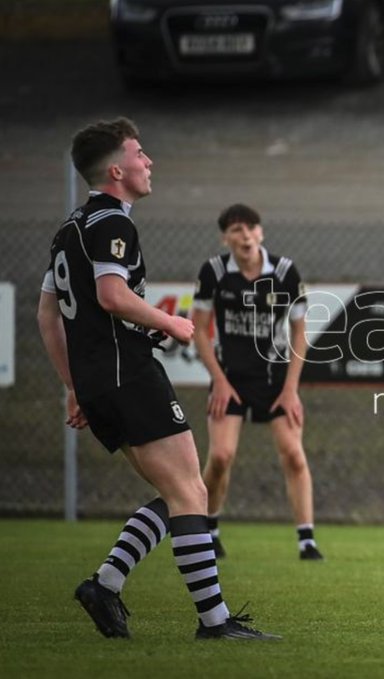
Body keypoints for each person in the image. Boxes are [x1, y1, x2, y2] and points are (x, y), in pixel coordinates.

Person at [38, 117, 276, 640]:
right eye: (141, 154)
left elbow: (47, 316)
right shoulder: (112, 222)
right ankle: (214, 623)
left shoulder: (68, 230)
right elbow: (110, 295)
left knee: (181, 492)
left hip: (103, 379)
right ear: (117, 169)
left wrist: (74, 385)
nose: (150, 162)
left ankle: (105, 584)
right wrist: (171, 321)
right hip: (128, 372)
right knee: (192, 493)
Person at [191, 204, 321, 561]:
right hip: (229, 378)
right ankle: (210, 530)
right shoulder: (215, 272)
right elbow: (199, 330)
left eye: (250, 228)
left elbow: (299, 333)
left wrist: (291, 390)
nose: (244, 235)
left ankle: (306, 540)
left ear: (261, 233)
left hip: (274, 379)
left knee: (294, 454)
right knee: (220, 455)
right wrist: (218, 380)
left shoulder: (284, 272)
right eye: (235, 230)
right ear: (225, 238)